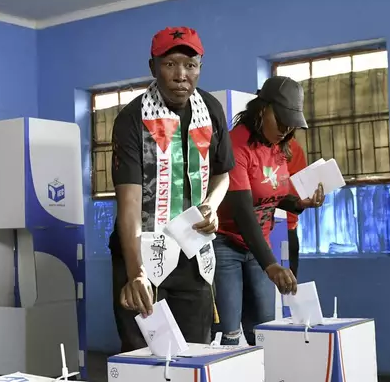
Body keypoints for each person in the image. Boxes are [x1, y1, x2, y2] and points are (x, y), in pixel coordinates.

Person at [109, 26, 234, 352]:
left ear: (200, 68)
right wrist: (136, 272)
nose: (181, 75)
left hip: (195, 256)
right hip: (140, 254)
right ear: (153, 67)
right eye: (170, 64)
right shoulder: (132, 119)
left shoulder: (212, 110)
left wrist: (212, 205)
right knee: (144, 355)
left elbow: (223, 174)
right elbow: (130, 203)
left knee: (194, 352)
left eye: (190, 65)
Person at [212, 76, 325, 346]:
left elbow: (271, 194)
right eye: (282, 121)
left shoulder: (278, 146)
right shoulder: (236, 145)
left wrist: (300, 203)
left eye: (291, 125)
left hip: (258, 245)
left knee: (263, 330)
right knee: (230, 331)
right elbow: (242, 210)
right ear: (263, 109)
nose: (286, 130)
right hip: (226, 243)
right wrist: (271, 265)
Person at [284, 134, 307, 277]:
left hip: (286, 227)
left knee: (287, 288)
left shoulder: (294, 149)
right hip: (258, 228)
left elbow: (300, 193)